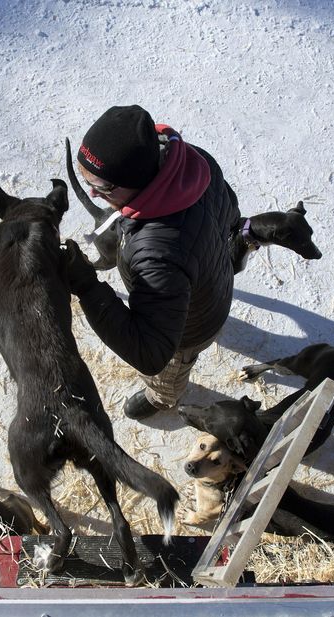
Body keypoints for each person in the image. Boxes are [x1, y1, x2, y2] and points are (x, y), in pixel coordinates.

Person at [64, 104, 240, 420]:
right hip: (213, 278)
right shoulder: (192, 162)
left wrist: (87, 286)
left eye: (103, 188)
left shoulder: (157, 252)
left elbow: (152, 353)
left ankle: (163, 398)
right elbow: (232, 213)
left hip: (190, 330)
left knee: (171, 367)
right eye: (85, 180)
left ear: (140, 181)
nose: (92, 192)